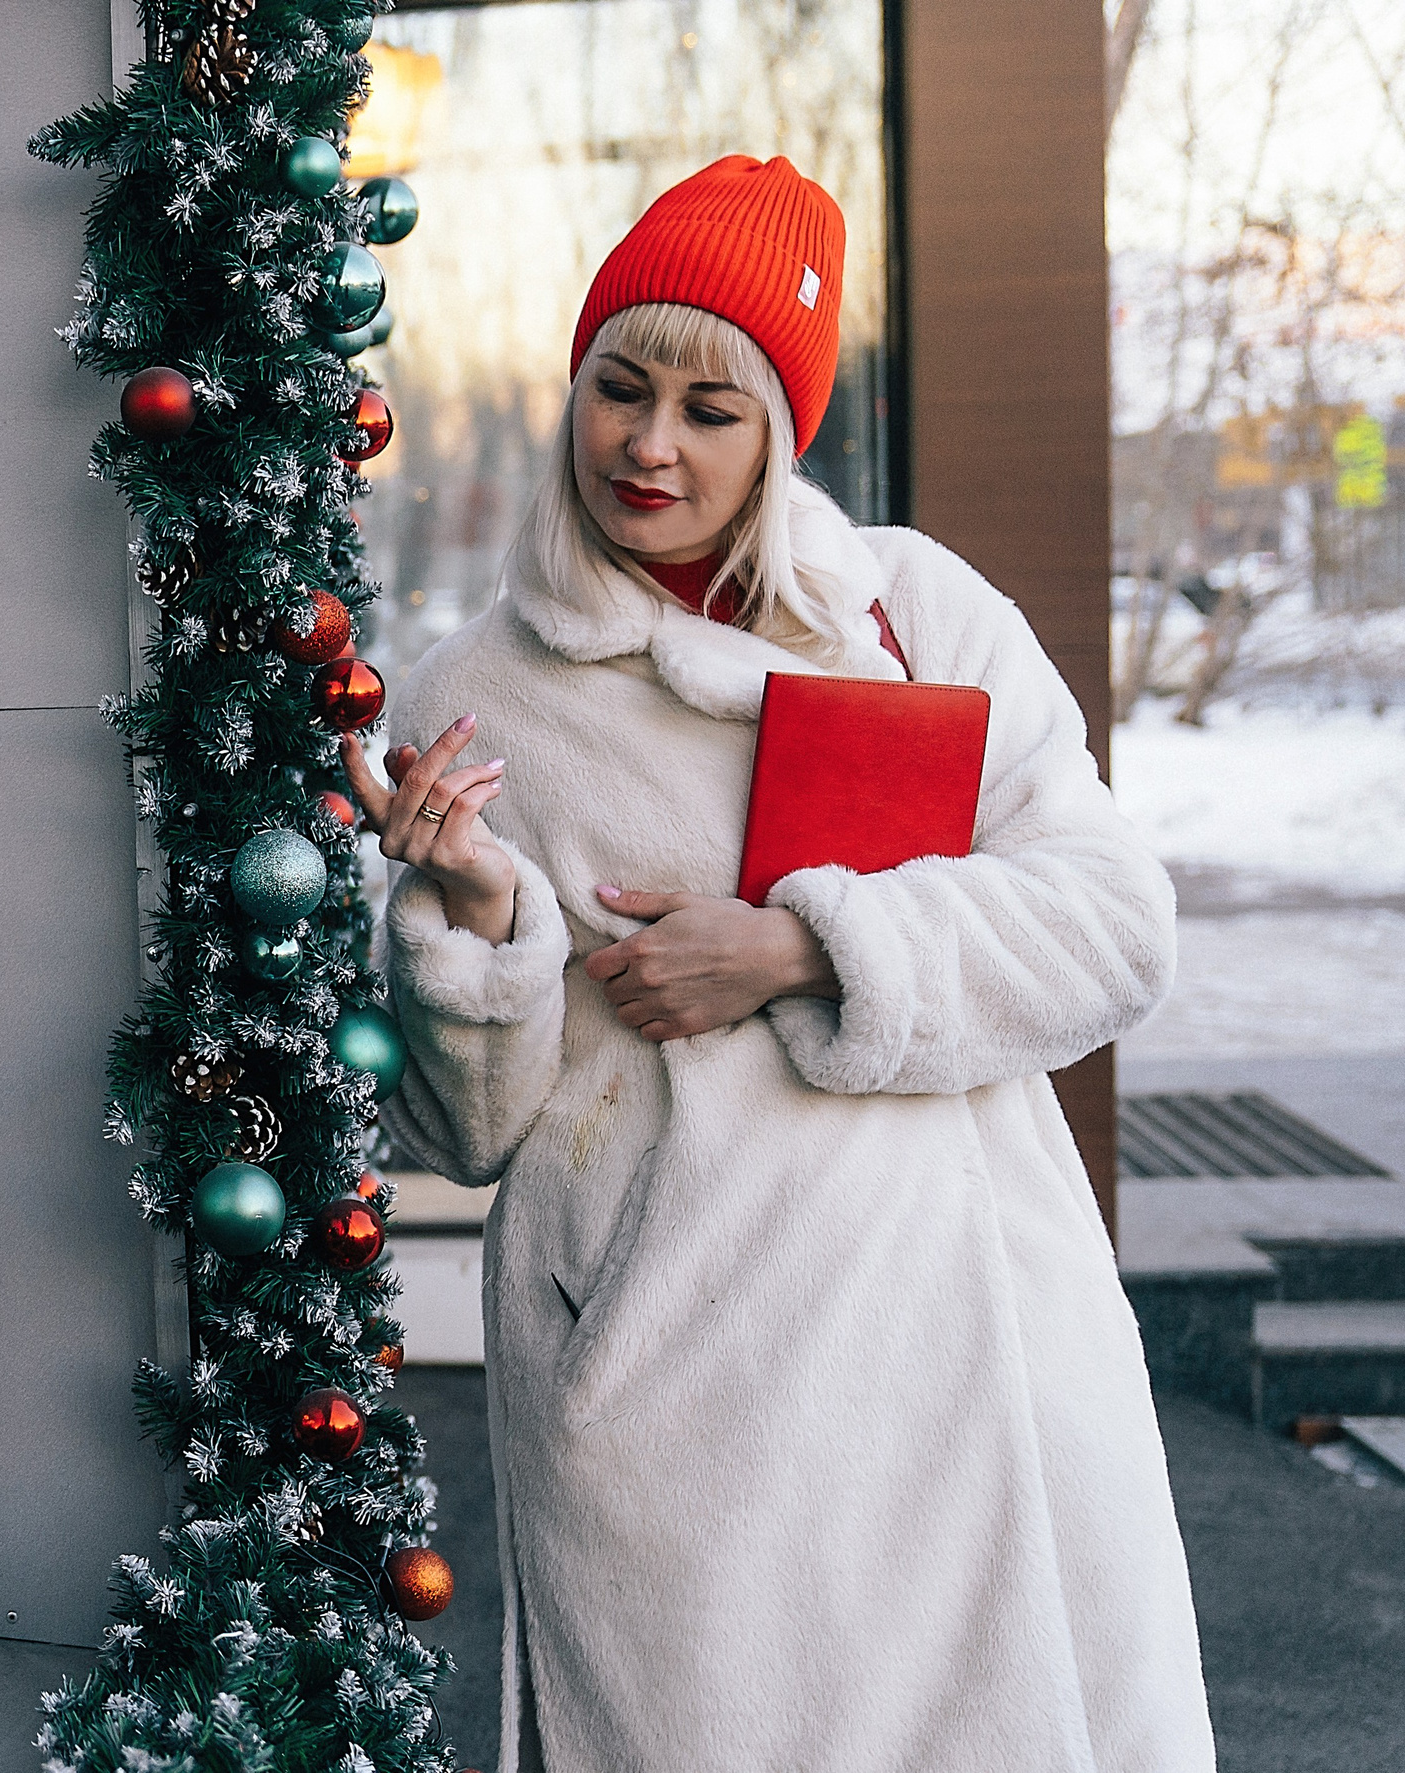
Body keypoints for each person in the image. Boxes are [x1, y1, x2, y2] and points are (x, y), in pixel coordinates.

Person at [347, 158, 1213, 1772]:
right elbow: (469, 1128)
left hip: (982, 1363)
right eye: (620, 389)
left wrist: (809, 944)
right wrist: (476, 914)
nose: (651, 444)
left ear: (779, 433)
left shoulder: (919, 612)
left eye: (709, 406)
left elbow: (1114, 923)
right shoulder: (480, 694)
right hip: (688, 1387)